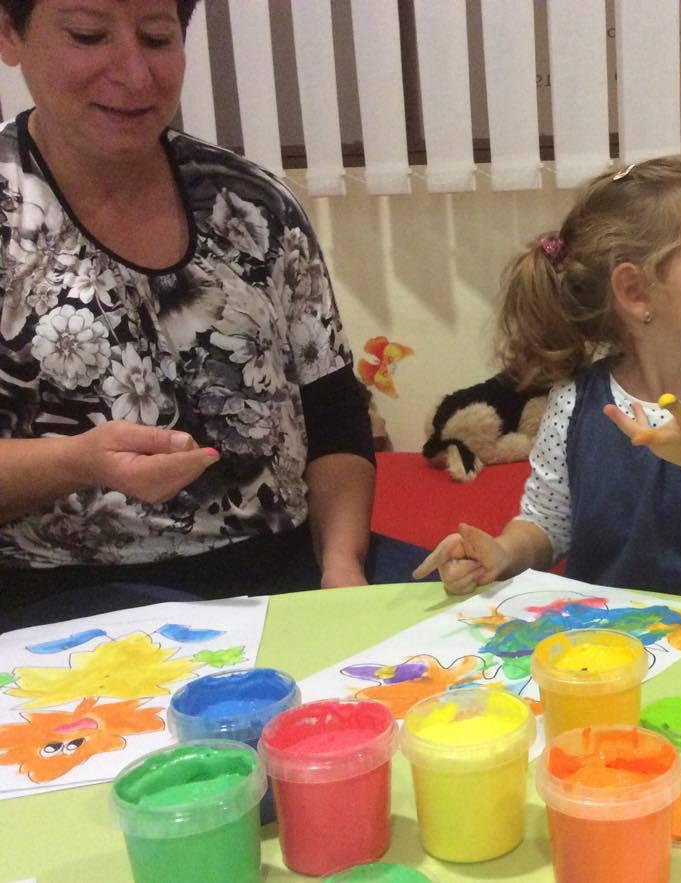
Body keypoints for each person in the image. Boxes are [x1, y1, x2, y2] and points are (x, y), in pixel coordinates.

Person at [0, 0, 421, 631]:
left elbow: (333, 414)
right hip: (65, 596)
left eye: (157, 38)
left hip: (290, 565)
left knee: (493, 641)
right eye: (88, 36)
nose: (135, 74)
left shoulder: (251, 202)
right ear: (11, 34)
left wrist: (341, 564)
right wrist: (78, 462)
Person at [414, 155, 681, 620]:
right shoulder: (574, 402)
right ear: (635, 291)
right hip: (617, 643)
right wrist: (503, 553)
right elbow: (548, 523)